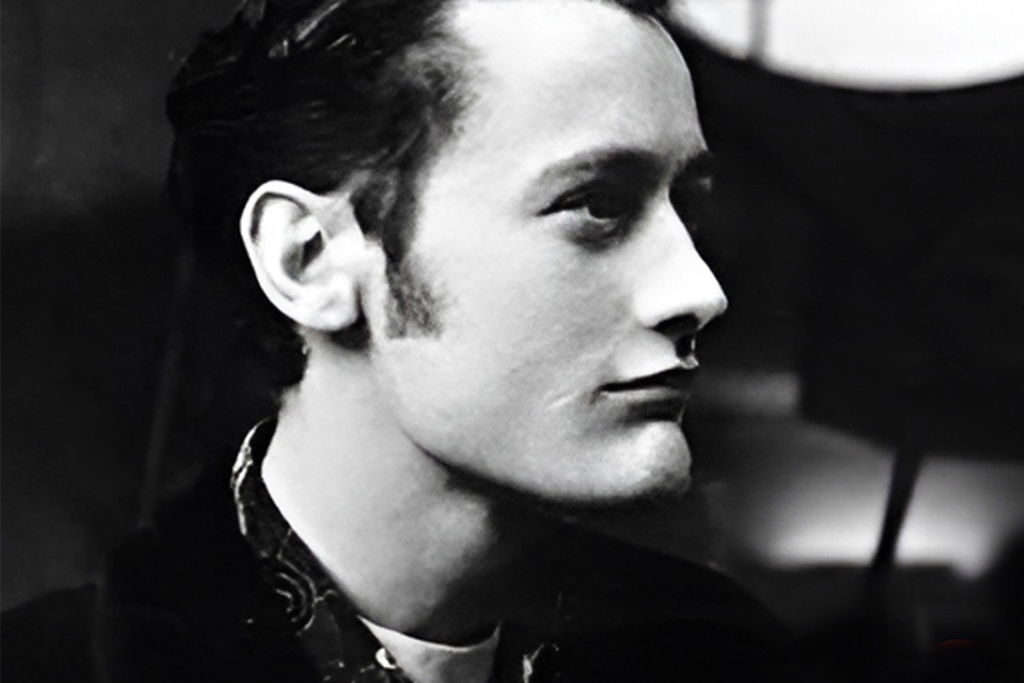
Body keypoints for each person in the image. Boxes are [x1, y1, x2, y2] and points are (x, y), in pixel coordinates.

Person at [3, 0, 795, 681]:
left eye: (688, 207)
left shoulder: (728, 657)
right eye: (597, 203)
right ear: (308, 258)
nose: (700, 290)